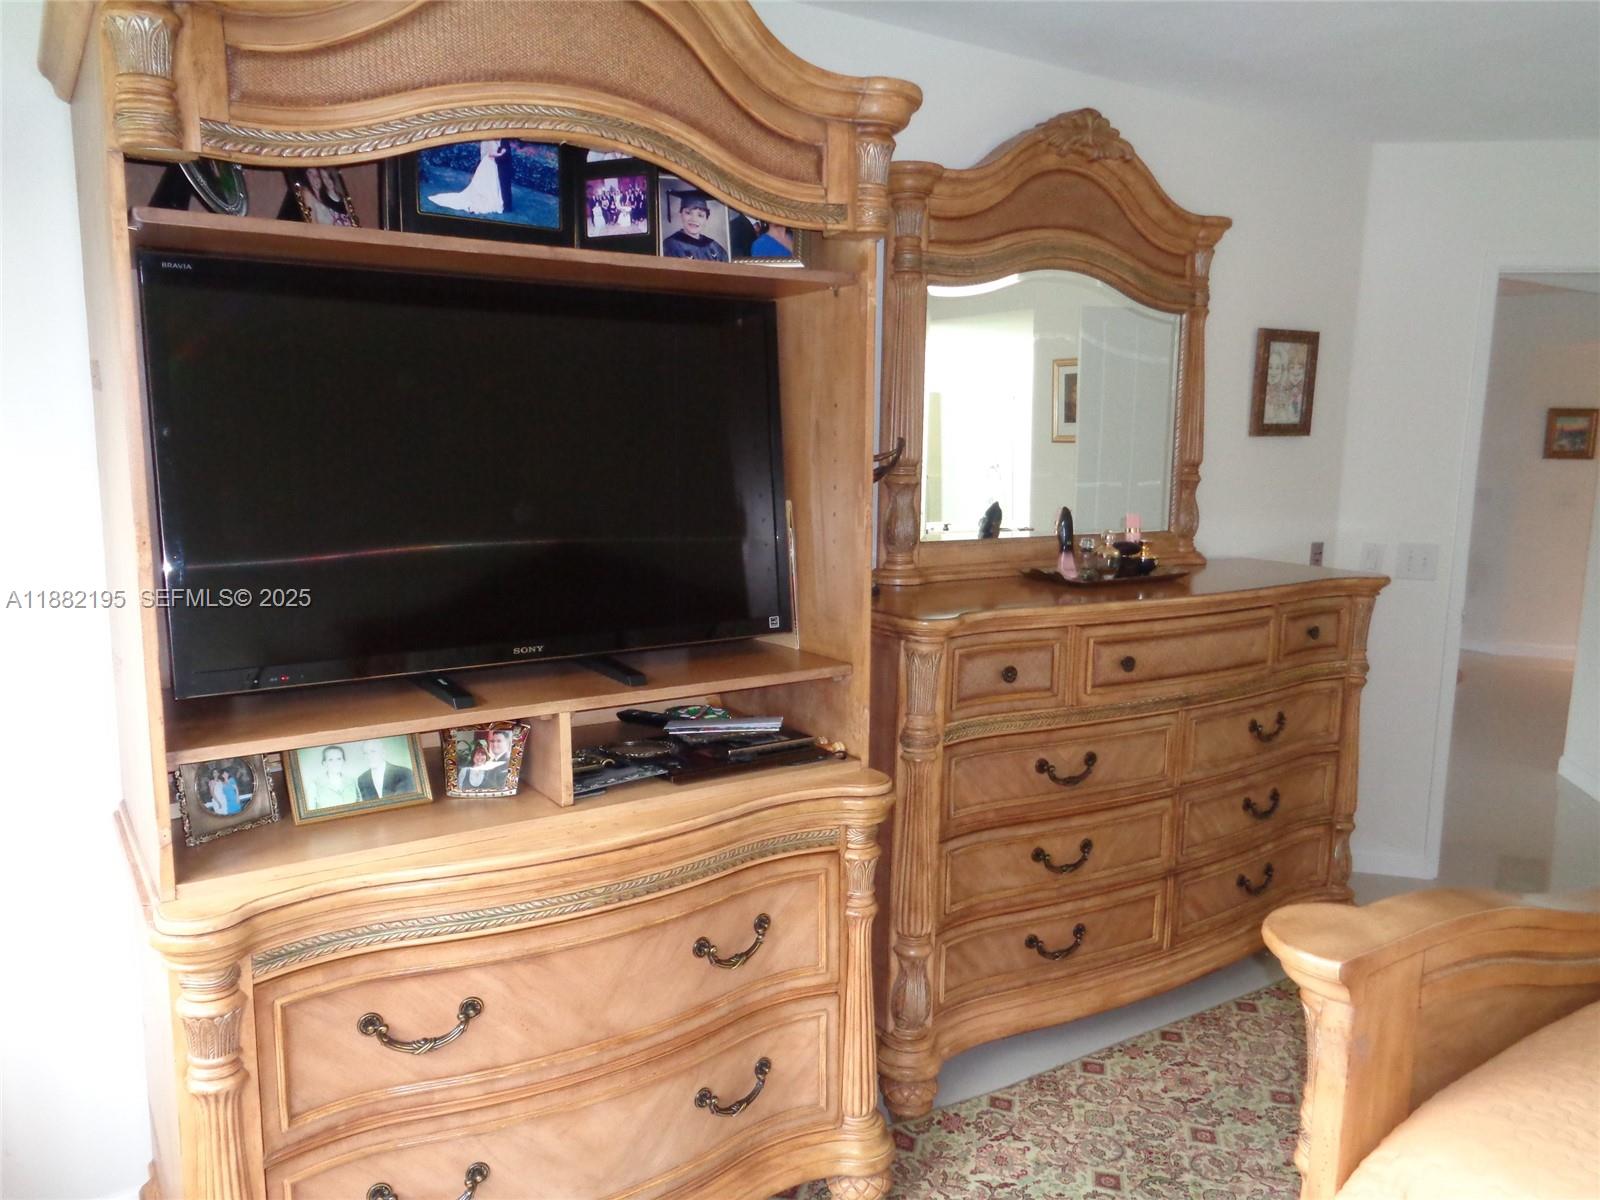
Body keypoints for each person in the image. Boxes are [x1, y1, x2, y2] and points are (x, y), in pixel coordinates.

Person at [428, 140, 508, 215]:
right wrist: (501, 153)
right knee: (486, 184)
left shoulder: (496, 141)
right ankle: (484, 200)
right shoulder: (491, 141)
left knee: (489, 184)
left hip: (491, 164)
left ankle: (489, 198)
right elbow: (491, 154)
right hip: (489, 164)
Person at [661, 188, 728, 261]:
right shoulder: (671, 246)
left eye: (700, 215)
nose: (694, 219)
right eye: (688, 213)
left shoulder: (714, 247)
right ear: (681, 214)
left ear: (706, 218)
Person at [305, 745, 360, 811]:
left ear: (343, 761)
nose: (335, 763)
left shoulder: (353, 781)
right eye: (330, 760)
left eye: (339, 759)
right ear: (324, 763)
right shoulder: (314, 785)